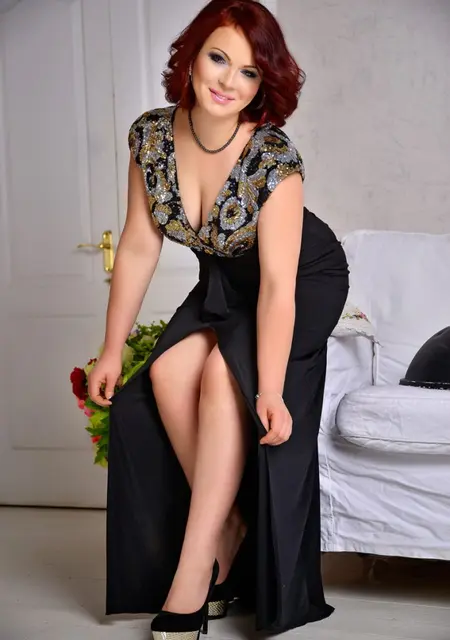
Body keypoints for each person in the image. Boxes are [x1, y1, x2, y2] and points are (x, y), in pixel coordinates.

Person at [88, 0, 349, 637]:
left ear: (265, 83)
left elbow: (279, 287)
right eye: (218, 58)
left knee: (217, 379)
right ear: (191, 55)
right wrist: (112, 348)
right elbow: (140, 244)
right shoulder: (151, 137)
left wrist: (269, 388)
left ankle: (194, 573)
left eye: (250, 72)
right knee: (167, 374)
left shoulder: (273, 157)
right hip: (226, 281)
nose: (229, 81)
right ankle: (230, 523)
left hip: (300, 281)